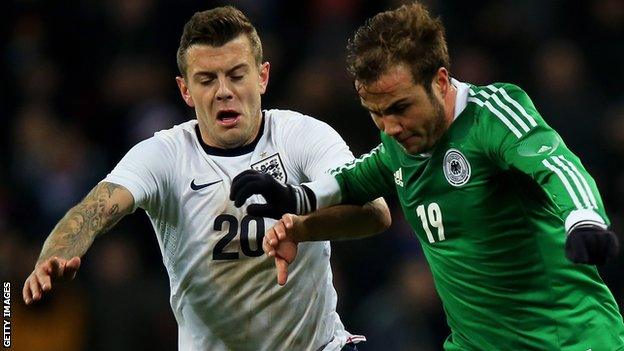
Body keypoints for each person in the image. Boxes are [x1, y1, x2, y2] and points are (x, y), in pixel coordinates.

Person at [230, 3, 624, 350]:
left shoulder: (492, 116)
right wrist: (294, 198)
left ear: (439, 81)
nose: (390, 127)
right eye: (376, 113)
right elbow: (356, 177)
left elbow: (557, 166)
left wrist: (584, 218)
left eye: (400, 107)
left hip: (568, 339)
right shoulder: (400, 144)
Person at [21, 6, 390, 351]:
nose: (223, 91)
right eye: (207, 80)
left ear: (262, 77)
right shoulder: (164, 155)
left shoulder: (303, 135)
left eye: (236, 75)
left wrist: (299, 227)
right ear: (185, 90)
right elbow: (95, 210)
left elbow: (375, 213)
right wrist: (54, 255)